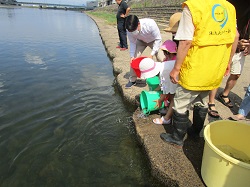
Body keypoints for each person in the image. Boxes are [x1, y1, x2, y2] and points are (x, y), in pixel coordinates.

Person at [160, 0, 238, 146]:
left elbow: (185, 42)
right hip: (216, 66)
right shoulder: (229, 7)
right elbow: (235, 37)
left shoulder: (193, 6)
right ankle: (195, 132)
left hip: (196, 67)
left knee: (180, 103)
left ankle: (177, 137)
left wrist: (176, 68)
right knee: (202, 101)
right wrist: (228, 61)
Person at [208, 1, 250, 118]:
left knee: (236, 74)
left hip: (243, 46)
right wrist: (235, 43)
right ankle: (211, 102)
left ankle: (224, 94)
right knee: (218, 74)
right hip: (226, 45)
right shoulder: (227, 5)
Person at [124, 15, 164, 88]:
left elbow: (158, 39)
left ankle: (162, 77)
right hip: (141, 41)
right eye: (131, 31)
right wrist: (132, 56)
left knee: (161, 58)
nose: (133, 33)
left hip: (154, 41)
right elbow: (132, 43)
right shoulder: (129, 30)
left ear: (138, 24)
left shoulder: (150, 24)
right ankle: (132, 80)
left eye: (134, 30)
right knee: (134, 60)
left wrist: (152, 54)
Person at [151, 40, 178, 125]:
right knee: (169, 95)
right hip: (171, 83)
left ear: (169, 53)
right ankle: (168, 108)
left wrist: (161, 99)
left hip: (175, 83)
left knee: (174, 97)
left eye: (165, 53)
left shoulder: (174, 62)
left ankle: (167, 118)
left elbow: (167, 85)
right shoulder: (167, 60)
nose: (164, 55)